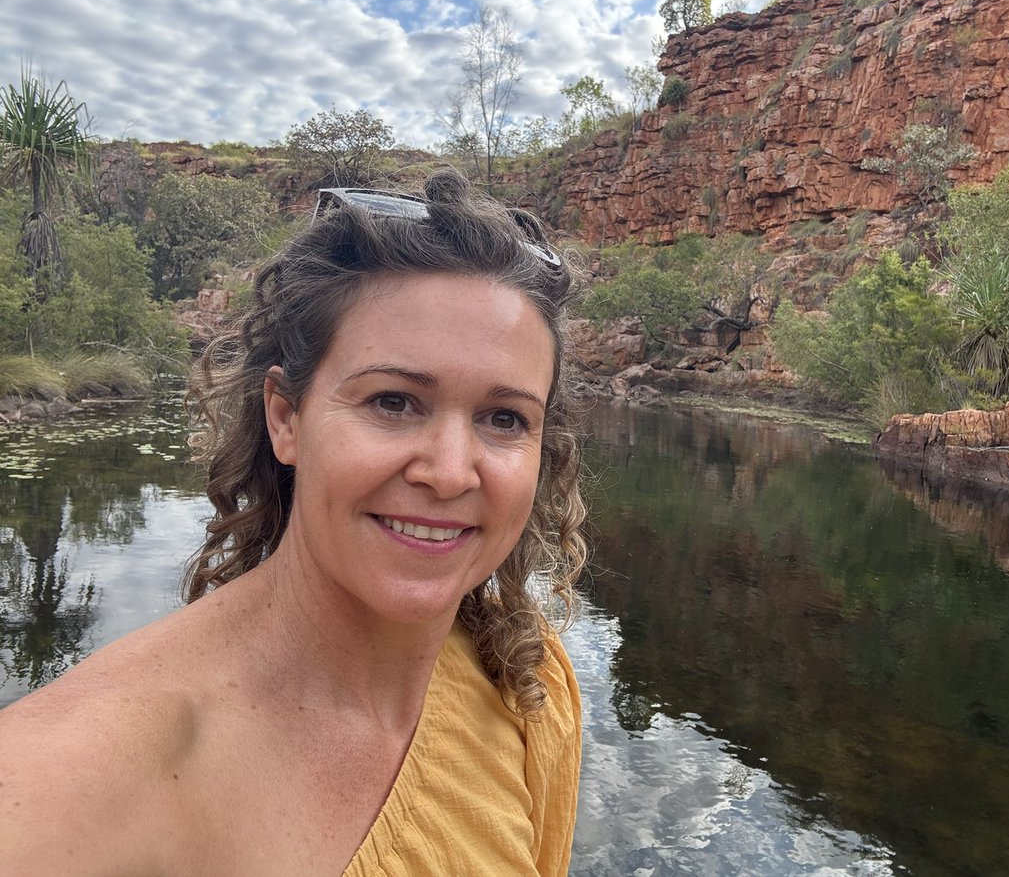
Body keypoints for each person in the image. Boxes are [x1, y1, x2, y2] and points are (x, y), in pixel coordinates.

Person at [0, 167, 589, 876]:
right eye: (393, 402)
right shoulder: (84, 775)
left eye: (504, 418)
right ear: (286, 417)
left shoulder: (525, 684)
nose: (450, 472)